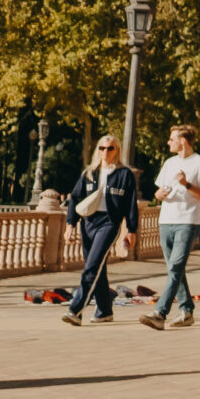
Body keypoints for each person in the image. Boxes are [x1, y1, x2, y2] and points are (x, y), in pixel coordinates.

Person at [142, 124, 200, 330]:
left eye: (172, 139)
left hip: (188, 221)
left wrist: (187, 184)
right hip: (166, 221)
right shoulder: (169, 163)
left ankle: (160, 313)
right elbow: (157, 193)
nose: (168, 142)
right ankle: (186, 311)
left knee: (175, 268)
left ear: (182, 141)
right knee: (175, 269)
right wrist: (159, 195)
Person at [62, 135, 139, 325]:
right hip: (88, 223)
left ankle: (76, 309)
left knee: (92, 266)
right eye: (102, 148)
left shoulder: (124, 174)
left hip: (109, 223)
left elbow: (131, 204)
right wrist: (70, 224)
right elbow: (75, 198)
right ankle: (104, 310)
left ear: (117, 150)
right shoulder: (90, 173)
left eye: (110, 148)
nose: (105, 152)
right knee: (97, 268)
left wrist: (131, 230)